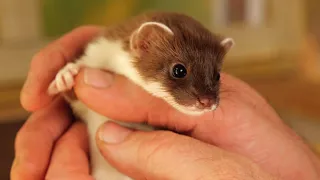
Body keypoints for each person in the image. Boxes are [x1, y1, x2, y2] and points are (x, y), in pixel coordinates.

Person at [10, 26, 320, 180]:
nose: (207, 98)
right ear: (142, 44)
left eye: (214, 77)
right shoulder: (103, 61)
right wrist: (70, 85)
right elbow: (78, 107)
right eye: (179, 72)